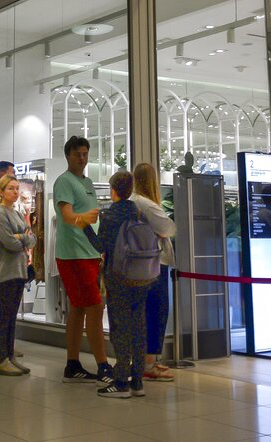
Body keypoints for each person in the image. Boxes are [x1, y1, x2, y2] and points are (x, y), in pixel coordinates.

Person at [54, 135, 113, 385]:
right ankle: (102, 364)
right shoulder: (64, 182)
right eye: (78, 153)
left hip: (89, 253)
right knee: (94, 307)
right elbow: (67, 216)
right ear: (68, 155)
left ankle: (73, 363)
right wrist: (84, 219)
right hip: (74, 255)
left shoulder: (87, 181)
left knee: (79, 309)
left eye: (85, 153)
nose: (82, 158)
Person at [97, 171, 150, 398]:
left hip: (118, 276)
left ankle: (120, 382)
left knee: (120, 327)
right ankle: (137, 380)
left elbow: (99, 245)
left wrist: (84, 227)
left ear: (113, 190)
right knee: (138, 326)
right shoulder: (139, 212)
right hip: (141, 276)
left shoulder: (110, 215)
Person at [130, 162, 176, 382]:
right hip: (155, 262)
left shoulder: (133, 202)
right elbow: (168, 228)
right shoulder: (147, 204)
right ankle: (149, 361)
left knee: (143, 312)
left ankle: (144, 360)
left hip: (139, 265)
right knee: (157, 309)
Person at [0, 174, 35, 376]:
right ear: (1, 191)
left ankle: (9, 355)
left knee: (11, 316)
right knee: (6, 314)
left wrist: (22, 237)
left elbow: (32, 238)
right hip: (7, 270)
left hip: (18, 269)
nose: (15, 192)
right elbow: (11, 243)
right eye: (11, 188)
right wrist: (22, 238)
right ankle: (1, 358)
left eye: (17, 188)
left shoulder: (15, 213)